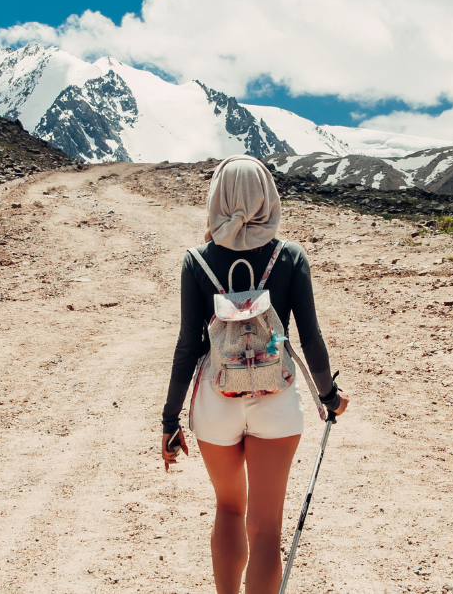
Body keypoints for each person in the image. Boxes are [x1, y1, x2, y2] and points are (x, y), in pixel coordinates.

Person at [161, 155, 348, 594]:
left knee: (229, 508)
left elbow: (188, 345)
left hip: (217, 399)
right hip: (276, 399)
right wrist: (329, 395)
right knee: (266, 529)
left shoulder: (196, 261)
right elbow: (311, 338)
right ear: (268, 197)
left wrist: (170, 419)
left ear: (217, 198)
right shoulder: (290, 256)